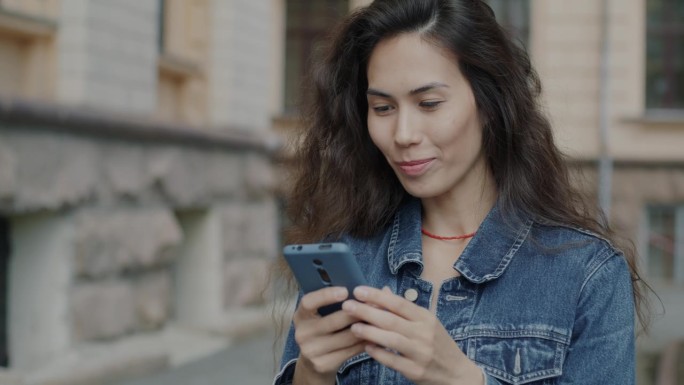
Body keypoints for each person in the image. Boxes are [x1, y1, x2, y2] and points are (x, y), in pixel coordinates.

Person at [274, 0, 647, 384]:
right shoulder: (348, 260)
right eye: (383, 108)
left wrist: (463, 380)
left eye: (429, 103)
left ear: (489, 103)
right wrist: (312, 373)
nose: (403, 134)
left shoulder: (587, 274)